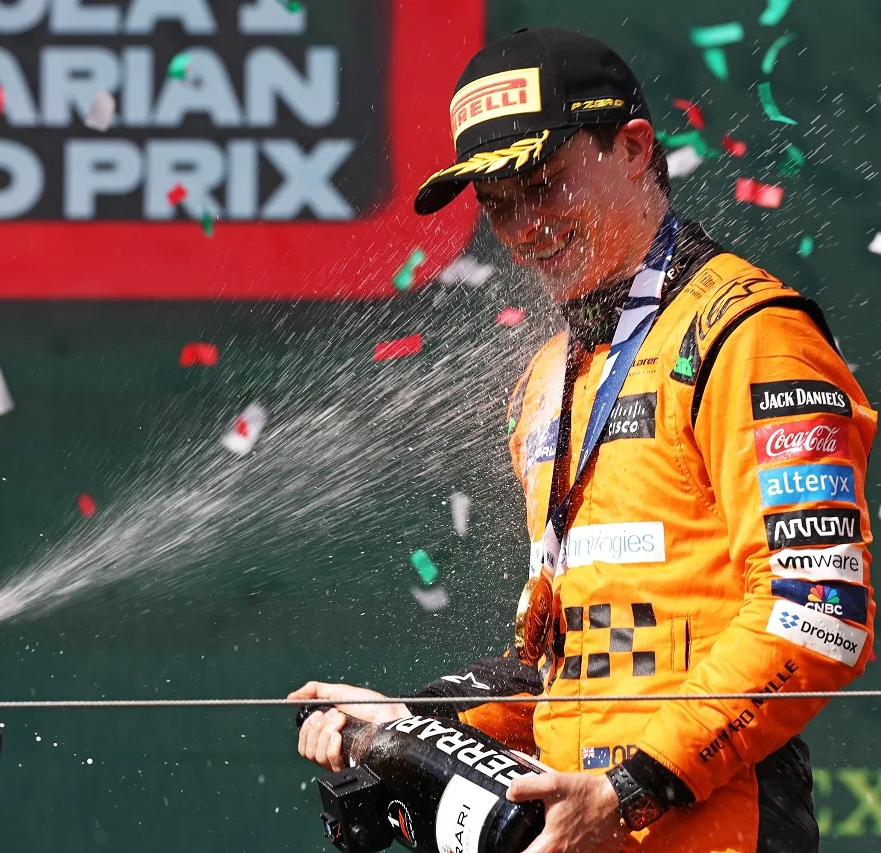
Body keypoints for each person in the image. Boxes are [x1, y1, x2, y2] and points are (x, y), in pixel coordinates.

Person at [291, 27, 874, 853]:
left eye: (544, 183)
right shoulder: (543, 384)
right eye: (497, 202)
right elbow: (565, 661)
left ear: (633, 148)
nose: (526, 224)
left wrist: (627, 788)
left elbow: (818, 613)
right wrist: (412, 721)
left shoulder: (751, 335)